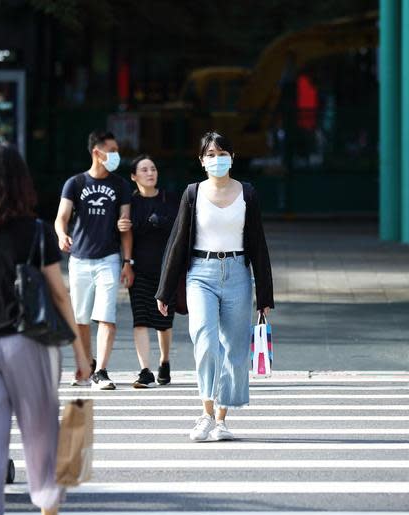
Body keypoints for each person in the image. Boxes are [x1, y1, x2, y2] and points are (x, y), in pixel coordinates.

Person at [0, 142, 90, 515]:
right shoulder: (37, 232)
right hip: (29, 343)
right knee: (41, 432)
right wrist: (81, 352)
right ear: (20, 182)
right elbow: (60, 295)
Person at [156, 131, 274, 442]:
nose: (217, 160)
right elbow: (178, 241)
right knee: (205, 342)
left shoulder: (247, 193)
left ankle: (222, 419)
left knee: (234, 350)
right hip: (200, 273)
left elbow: (258, 244)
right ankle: (206, 413)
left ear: (232, 158)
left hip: (237, 272)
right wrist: (165, 290)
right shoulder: (192, 193)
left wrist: (265, 295)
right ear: (201, 160)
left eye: (222, 154)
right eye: (211, 154)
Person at [55, 130, 133, 390]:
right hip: (79, 260)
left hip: (109, 258)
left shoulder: (121, 185)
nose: (116, 155)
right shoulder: (75, 183)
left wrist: (127, 261)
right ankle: (86, 364)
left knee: (107, 316)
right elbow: (62, 217)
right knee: (81, 319)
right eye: (111, 150)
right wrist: (61, 234)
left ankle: (101, 371)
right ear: (96, 153)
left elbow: (125, 221)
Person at [121, 155, 178, 388]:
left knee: (163, 321)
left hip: (166, 270)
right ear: (134, 176)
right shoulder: (130, 204)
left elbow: (179, 231)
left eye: (153, 169)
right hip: (139, 269)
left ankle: (164, 361)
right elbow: (125, 234)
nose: (150, 173)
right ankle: (145, 370)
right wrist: (126, 263)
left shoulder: (170, 199)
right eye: (144, 170)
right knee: (141, 320)